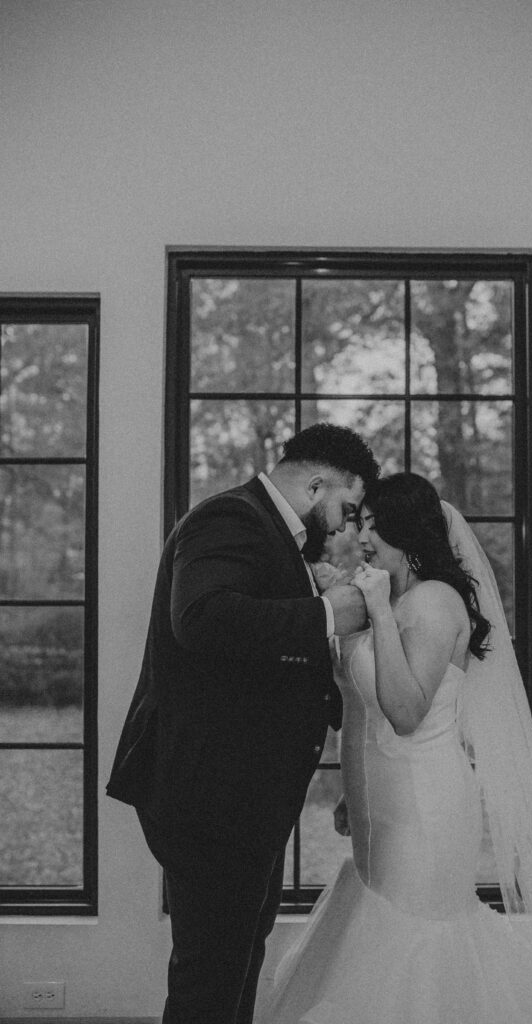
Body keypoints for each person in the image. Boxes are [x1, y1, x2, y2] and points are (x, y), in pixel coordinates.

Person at [263, 472, 532, 1024]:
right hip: (378, 808)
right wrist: (350, 794)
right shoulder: (395, 597)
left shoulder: (433, 603)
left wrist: (381, 611)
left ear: (406, 534)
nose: (360, 534)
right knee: (375, 923)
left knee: (417, 942)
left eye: (372, 524)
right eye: (360, 521)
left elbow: (406, 714)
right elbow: (361, 710)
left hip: (425, 810)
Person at [106, 423, 380, 1024]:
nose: (343, 526)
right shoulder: (228, 520)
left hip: (241, 792)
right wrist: (325, 614)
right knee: (212, 973)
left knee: (237, 957)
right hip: (210, 793)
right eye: (345, 506)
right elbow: (201, 618)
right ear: (315, 483)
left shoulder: (270, 531)